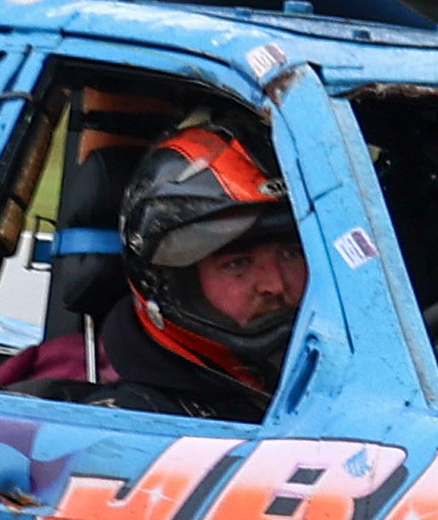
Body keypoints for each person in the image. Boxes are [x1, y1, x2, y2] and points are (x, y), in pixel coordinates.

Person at [17, 122, 311, 419]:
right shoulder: (125, 424)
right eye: (238, 264)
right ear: (174, 283)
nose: (275, 284)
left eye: (291, 254)